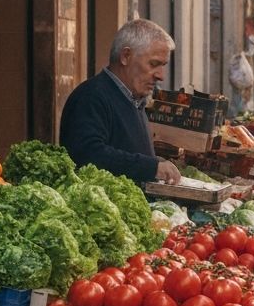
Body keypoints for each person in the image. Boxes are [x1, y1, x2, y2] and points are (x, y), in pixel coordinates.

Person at [59, 18, 181, 185]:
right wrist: (150, 167)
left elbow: (125, 150)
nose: (161, 75)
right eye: (154, 64)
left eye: (163, 65)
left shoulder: (133, 99)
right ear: (125, 56)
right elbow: (88, 153)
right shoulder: (90, 97)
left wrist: (156, 164)